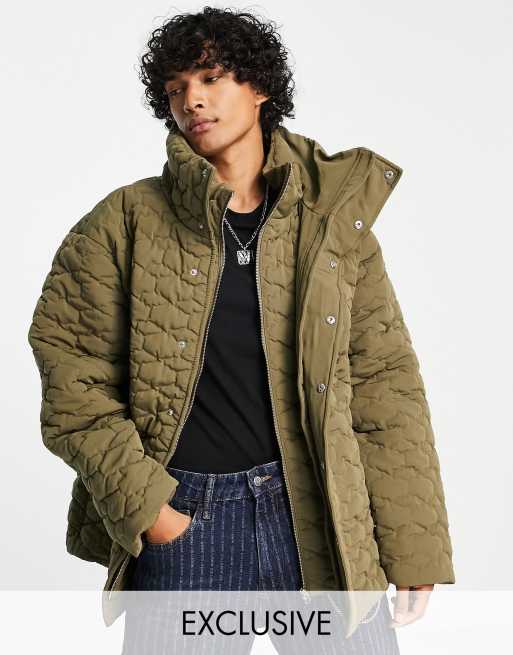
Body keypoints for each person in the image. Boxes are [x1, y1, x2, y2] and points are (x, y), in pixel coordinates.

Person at [27, 6, 455, 651]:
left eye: (210, 78)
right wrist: (153, 510)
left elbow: (383, 385)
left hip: (318, 516)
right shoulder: (123, 222)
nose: (192, 101)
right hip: (188, 523)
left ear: (259, 87)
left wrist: (413, 548)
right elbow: (71, 379)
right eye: (175, 89)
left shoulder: (332, 225)